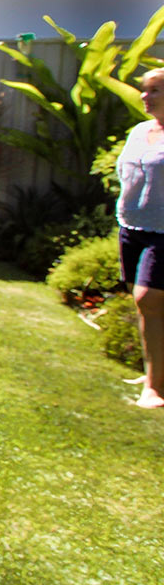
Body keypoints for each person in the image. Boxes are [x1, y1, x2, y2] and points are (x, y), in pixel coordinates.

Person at [117, 67, 164, 408]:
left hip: (162, 232)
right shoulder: (139, 131)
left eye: (155, 90)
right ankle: (152, 370)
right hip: (131, 227)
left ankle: (155, 388)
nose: (145, 96)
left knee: (147, 298)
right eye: (145, 90)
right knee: (146, 304)